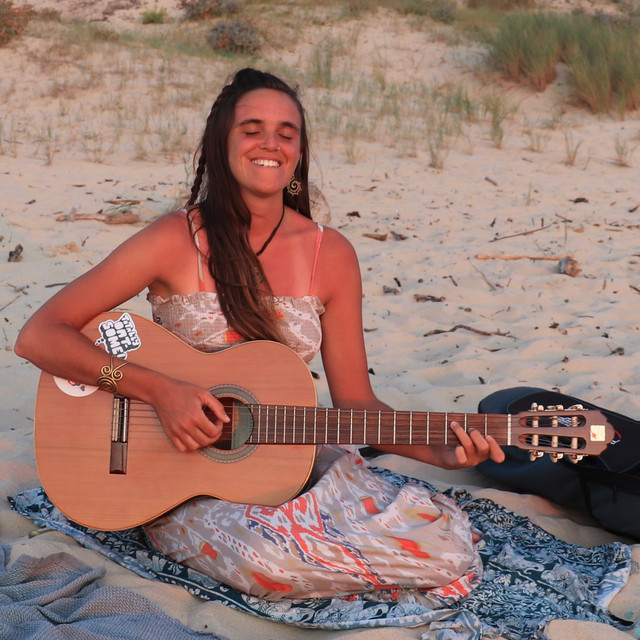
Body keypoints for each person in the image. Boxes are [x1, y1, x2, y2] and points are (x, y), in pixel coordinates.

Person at [15, 68, 505, 602]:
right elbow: (39, 336)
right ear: (221, 142)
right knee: (269, 560)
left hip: (287, 462)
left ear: (298, 153)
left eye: (286, 133)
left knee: (447, 549)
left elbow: (357, 404)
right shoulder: (174, 238)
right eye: (252, 129)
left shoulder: (331, 254)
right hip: (176, 481)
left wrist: (439, 454)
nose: (271, 143)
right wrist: (156, 390)